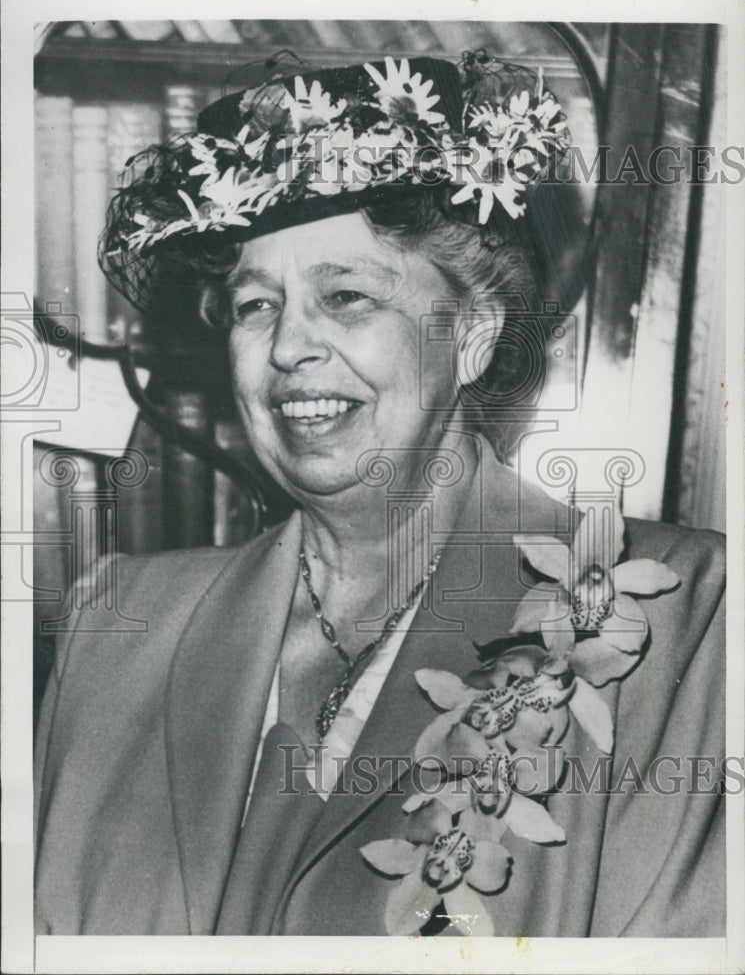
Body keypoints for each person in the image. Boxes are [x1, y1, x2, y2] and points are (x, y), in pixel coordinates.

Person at [34, 52, 726, 938]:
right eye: (254, 306)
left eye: (347, 295)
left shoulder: (682, 615)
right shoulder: (116, 625)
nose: (288, 348)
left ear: (471, 336)